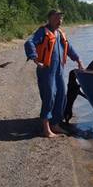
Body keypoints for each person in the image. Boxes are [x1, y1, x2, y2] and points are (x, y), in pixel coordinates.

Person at [24, 9, 83, 138]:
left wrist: (78, 59)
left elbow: (69, 48)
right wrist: (34, 58)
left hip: (59, 71)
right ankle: (46, 129)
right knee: (49, 97)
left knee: (61, 95)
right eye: (56, 18)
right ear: (49, 18)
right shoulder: (42, 32)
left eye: (61, 18)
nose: (59, 21)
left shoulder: (60, 34)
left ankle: (55, 124)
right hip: (46, 70)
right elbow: (29, 43)